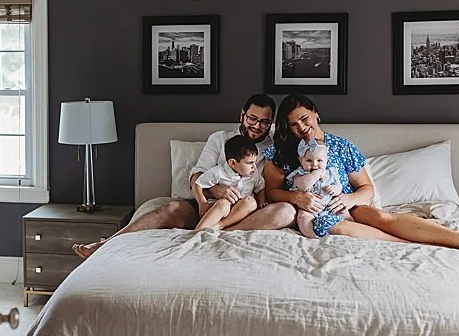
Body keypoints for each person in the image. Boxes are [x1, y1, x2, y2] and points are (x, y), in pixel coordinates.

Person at [264, 94, 459, 251]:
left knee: (382, 218)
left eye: (304, 118)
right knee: (338, 228)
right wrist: (297, 197)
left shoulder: (341, 146)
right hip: (308, 211)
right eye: (293, 124)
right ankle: (412, 245)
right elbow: (272, 192)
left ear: (316, 113)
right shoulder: (281, 150)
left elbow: (366, 188)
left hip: (346, 204)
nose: (301, 127)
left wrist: (349, 199)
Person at [72, 94, 294, 260]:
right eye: (252, 118)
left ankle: (215, 231)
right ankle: (106, 244)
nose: (257, 126)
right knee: (170, 209)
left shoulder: (275, 147)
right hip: (207, 205)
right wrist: (215, 192)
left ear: (271, 123)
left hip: (246, 213)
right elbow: (196, 176)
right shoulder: (220, 139)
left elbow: (269, 186)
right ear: (242, 115)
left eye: (264, 122)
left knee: (286, 211)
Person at [192, 133, 267, 233]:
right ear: (233, 163)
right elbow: (197, 184)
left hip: (241, 212)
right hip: (222, 209)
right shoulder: (218, 172)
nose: (254, 166)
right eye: (249, 163)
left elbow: (260, 187)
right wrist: (202, 202)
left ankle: (220, 225)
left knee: (251, 202)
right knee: (223, 203)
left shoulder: (254, 174)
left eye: (255, 162)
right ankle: (197, 232)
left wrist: (262, 202)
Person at [285, 138, 342, 239]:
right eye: (309, 160)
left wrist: (335, 189)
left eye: (319, 160)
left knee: (344, 212)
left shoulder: (331, 172)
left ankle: (353, 227)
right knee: (302, 217)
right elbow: (303, 185)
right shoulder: (300, 174)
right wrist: (316, 174)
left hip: (329, 206)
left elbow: (339, 186)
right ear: (300, 160)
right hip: (308, 209)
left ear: (326, 160)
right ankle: (312, 236)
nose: (314, 165)